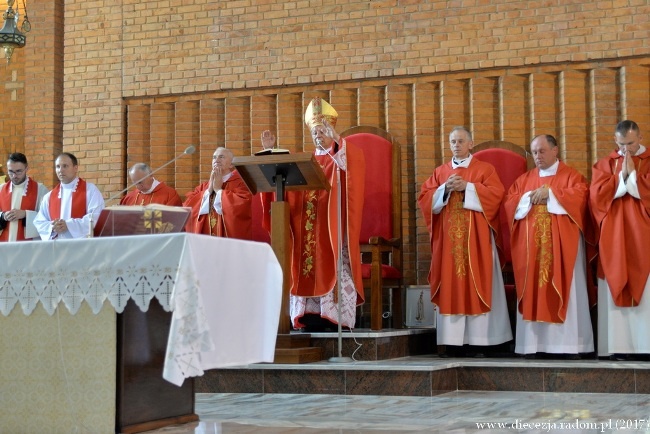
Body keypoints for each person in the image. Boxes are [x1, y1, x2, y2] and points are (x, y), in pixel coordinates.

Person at [260, 97, 366, 331]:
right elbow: (279, 181)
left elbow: (352, 166)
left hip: (331, 227)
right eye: (315, 132)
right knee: (303, 263)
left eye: (322, 131)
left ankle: (332, 317)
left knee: (329, 261)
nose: (318, 135)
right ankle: (306, 316)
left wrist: (338, 140)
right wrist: (269, 153)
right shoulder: (303, 162)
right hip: (304, 226)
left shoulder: (340, 157)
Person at [417, 126, 512, 355]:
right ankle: (453, 342)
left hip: (477, 241)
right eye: (452, 142)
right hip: (449, 244)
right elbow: (425, 198)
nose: (456, 145)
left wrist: (468, 187)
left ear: (471, 144)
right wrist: (443, 190)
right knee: (451, 283)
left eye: (460, 141)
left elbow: (497, 195)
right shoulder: (440, 172)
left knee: (481, 280)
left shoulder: (484, 169)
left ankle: (485, 341)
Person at [504, 134, 594, 358]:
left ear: (555, 151)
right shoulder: (524, 180)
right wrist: (529, 197)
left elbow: (582, 198)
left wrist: (551, 194)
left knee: (567, 289)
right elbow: (509, 202)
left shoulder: (572, 176)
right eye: (534, 152)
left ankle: (570, 346)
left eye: (542, 151)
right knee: (534, 287)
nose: (538, 156)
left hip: (564, 250)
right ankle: (533, 345)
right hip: (532, 251)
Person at [590, 120, 650, 359]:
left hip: (644, 235)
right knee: (614, 275)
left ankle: (646, 345)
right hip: (613, 235)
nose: (627, 150)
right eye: (622, 145)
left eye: (631, 144)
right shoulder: (605, 164)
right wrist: (620, 178)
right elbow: (596, 196)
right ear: (615, 141)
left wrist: (632, 177)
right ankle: (618, 346)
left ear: (641, 137)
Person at [183, 147, 252, 240]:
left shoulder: (240, 184)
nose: (217, 160)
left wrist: (218, 190)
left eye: (221, 157)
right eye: (214, 157)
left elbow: (241, 206)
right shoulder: (204, 187)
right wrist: (208, 191)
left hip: (228, 242)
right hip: (206, 240)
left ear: (231, 164)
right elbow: (187, 207)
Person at [33, 152, 105, 240]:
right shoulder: (49, 196)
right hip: (57, 247)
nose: (61, 170)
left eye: (65, 166)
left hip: (82, 247)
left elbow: (97, 216)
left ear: (75, 168)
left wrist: (69, 225)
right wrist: (52, 227)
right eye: (58, 166)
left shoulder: (90, 190)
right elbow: (39, 221)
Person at [0, 152, 49, 242]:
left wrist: (26, 214)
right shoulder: (1, 189)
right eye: (11, 171)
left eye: (18, 171)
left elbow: (47, 218)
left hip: (30, 246)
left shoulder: (40, 189)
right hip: (4, 244)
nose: (14, 176)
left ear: (27, 168)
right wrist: (3, 216)